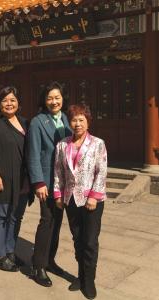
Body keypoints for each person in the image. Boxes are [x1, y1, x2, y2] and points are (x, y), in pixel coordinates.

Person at [54, 103, 107, 299]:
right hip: (71, 200)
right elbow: (58, 172)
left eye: (81, 120)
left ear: (88, 122)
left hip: (92, 201)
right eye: (74, 120)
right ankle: (81, 275)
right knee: (77, 240)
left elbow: (101, 172)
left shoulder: (98, 143)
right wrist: (58, 195)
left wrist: (94, 196)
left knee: (90, 241)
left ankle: (89, 280)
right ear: (69, 122)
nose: (77, 124)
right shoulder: (62, 144)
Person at [0, 86, 32, 271]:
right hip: (1, 179)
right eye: (4, 100)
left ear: (18, 103)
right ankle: (0, 256)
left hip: (22, 181)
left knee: (16, 217)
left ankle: (10, 251)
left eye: (12, 100)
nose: (9, 104)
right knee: (0, 216)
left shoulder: (26, 123)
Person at [28, 81, 72, 287]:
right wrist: (38, 182)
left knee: (57, 221)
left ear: (63, 98)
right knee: (47, 221)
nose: (54, 101)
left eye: (57, 97)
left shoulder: (66, 119)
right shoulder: (38, 122)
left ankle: (50, 260)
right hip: (46, 181)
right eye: (49, 98)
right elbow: (33, 154)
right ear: (44, 101)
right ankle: (38, 266)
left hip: (63, 182)